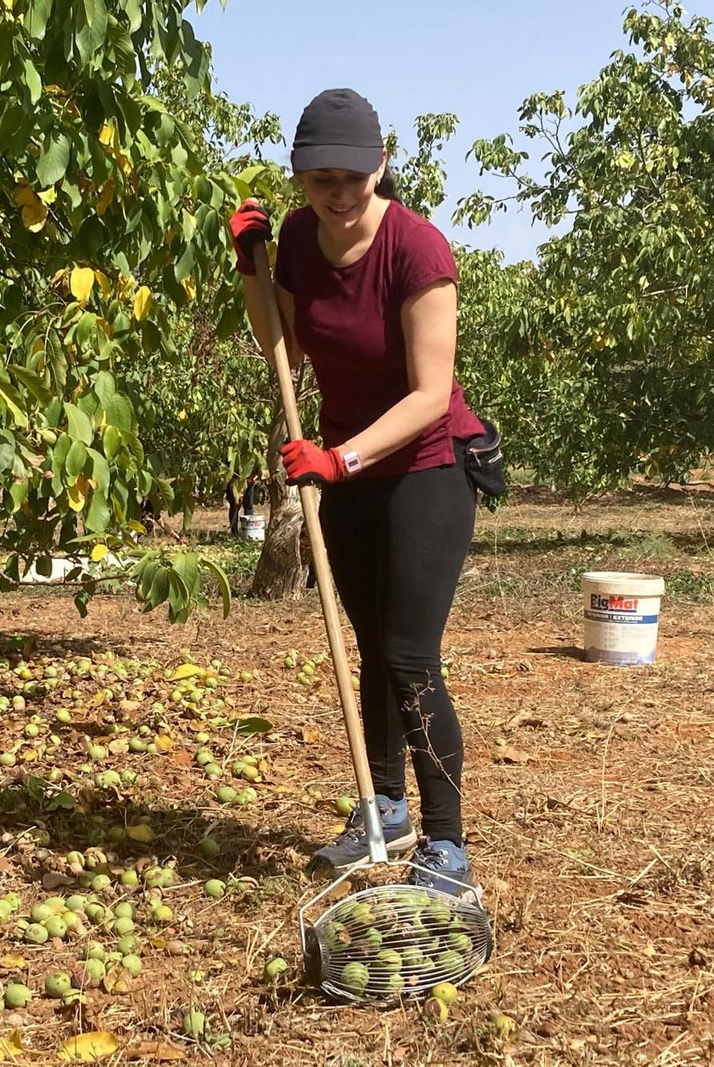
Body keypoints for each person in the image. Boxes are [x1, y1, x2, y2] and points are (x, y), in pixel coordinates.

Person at [228, 88, 487, 901]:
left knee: (409, 655)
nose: (338, 196)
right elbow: (286, 351)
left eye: (352, 177)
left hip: (425, 469)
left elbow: (429, 395)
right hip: (337, 465)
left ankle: (446, 843)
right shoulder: (300, 240)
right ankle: (384, 807)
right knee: (371, 649)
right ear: (301, 181)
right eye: (318, 181)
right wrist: (253, 271)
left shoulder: (417, 250)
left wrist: (339, 460)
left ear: (383, 163)